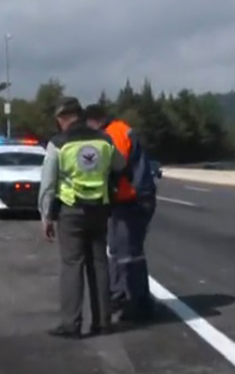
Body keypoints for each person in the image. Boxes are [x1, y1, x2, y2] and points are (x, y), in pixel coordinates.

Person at [38, 97, 127, 339]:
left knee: (72, 265)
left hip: (71, 210)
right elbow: (120, 164)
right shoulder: (104, 138)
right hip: (100, 208)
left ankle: (71, 324)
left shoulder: (58, 143)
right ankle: (103, 322)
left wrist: (46, 216)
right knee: (99, 264)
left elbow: (47, 184)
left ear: (61, 119)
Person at [83, 103, 158, 323]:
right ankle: (133, 298)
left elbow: (114, 166)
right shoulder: (119, 130)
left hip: (133, 200)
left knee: (125, 254)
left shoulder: (113, 135)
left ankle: (132, 301)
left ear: (93, 121)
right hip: (132, 199)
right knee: (126, 252)